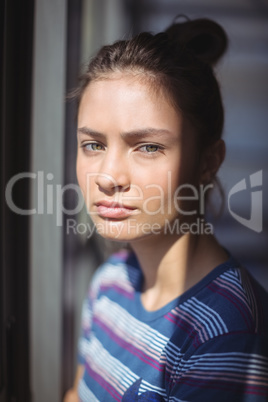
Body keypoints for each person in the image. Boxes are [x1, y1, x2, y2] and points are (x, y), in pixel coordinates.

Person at [64, 16, 268, 402]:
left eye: (148, 147)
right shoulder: (110, 282)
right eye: (93, 145)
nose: (108, 177)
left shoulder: (226, 331)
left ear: (208, 161)